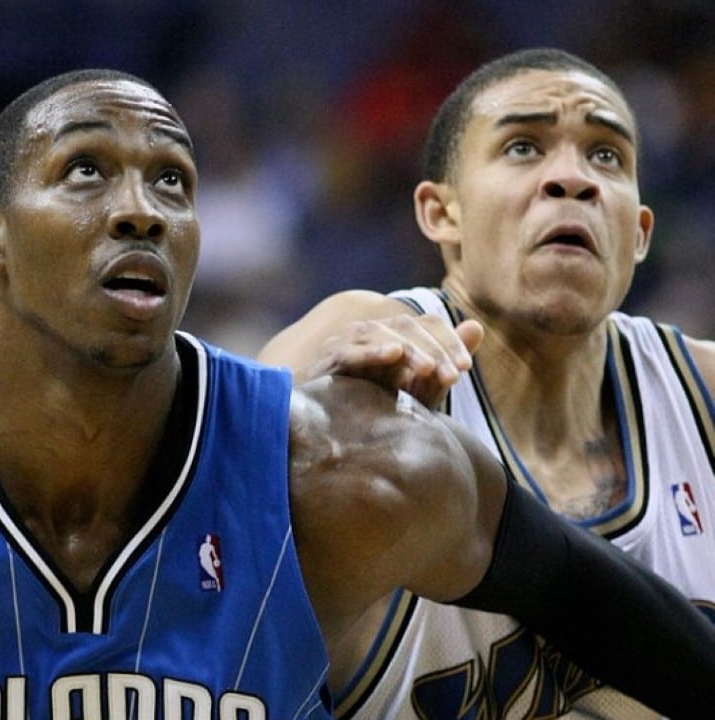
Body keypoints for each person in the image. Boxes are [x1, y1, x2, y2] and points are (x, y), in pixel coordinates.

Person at [0, 68, 715, 720]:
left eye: (171, 184)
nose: (139, 209)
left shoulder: (348, 475)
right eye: (84, 170)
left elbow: (633, 622)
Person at [259, 47, 715, 719]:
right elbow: (221, 476)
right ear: (442, 214)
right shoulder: (368, 339)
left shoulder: (701, 394)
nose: (573, 179)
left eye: (607, 157)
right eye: (525, 148)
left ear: (640, 232)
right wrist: (316, 394)